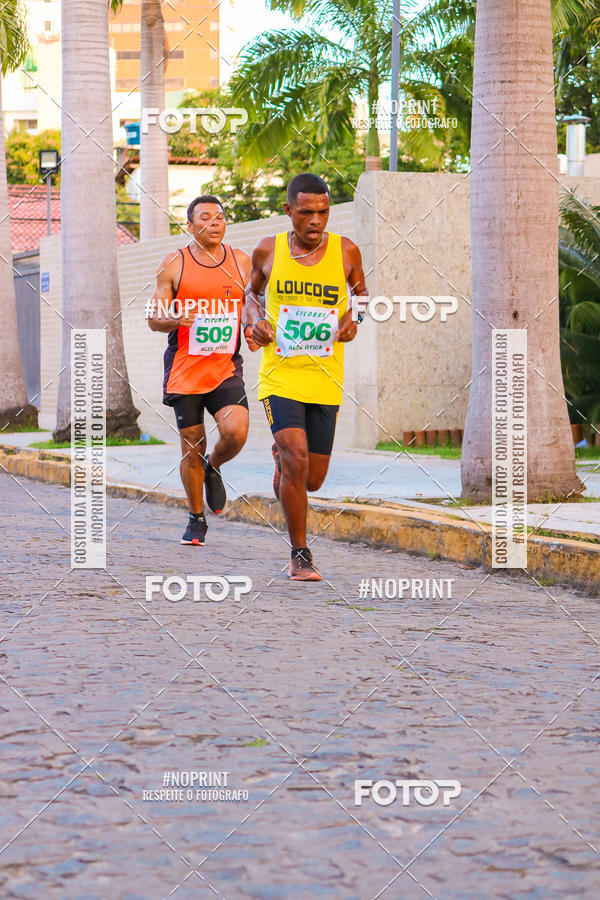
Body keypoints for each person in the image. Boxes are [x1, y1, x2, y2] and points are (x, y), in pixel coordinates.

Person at [246, 173, 368, 581]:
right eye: (306, 212)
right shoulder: (268, 250)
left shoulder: (347, 251)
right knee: (297, 458)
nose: (316, 220)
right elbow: (250, 296)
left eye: (323, 212)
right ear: (288, 211)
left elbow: (362, 298)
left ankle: (283, 463)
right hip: (279, 375)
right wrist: (255, 324)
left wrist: (355, 321)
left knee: (312, 480)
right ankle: (301, 554)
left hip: (325, 378)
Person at [148, 195, 256, 545]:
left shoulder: (240, 261)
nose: (214, 223)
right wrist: (176, 319)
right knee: (192, 444)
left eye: (220, 217)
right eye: (206, 217)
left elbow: (253, 304)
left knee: (236, 431)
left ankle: (214, 466)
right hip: (185, 368)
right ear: (190, 225)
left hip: (224, 366)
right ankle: (196, 518)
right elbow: (154, 318)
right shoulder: (174, 264)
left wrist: (255, 328)